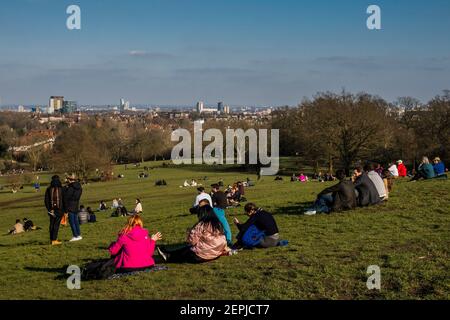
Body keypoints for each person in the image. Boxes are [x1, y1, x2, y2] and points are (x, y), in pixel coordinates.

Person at [157, 206, 231, 263]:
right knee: (188, 250)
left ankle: (168, 256)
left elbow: (192, 241)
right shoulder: (218, 224)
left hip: (202, 255)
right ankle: (167, 254)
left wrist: (190, 232)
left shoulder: (202, 225)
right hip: (216, 254)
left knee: (187, 251)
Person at [44, 175, 64, 245]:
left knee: (51, 224)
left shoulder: (49, 189)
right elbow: (64, 200)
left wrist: (49, 209)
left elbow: (46, 200)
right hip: (60, 209)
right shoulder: (62, 188)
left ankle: (51, 239)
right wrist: (65, 210)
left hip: (51, 210)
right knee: (56, 225)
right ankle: (54, 239)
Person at [64, 174, 83, 242]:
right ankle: (79, 235)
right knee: (76, 221)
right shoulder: (79, 187)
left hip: (70, 206)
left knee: (72, 222)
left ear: (70, 180)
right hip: (76, 205)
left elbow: (66, 197)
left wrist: (66, 188)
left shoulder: (71, 188)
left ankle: (75, 235)